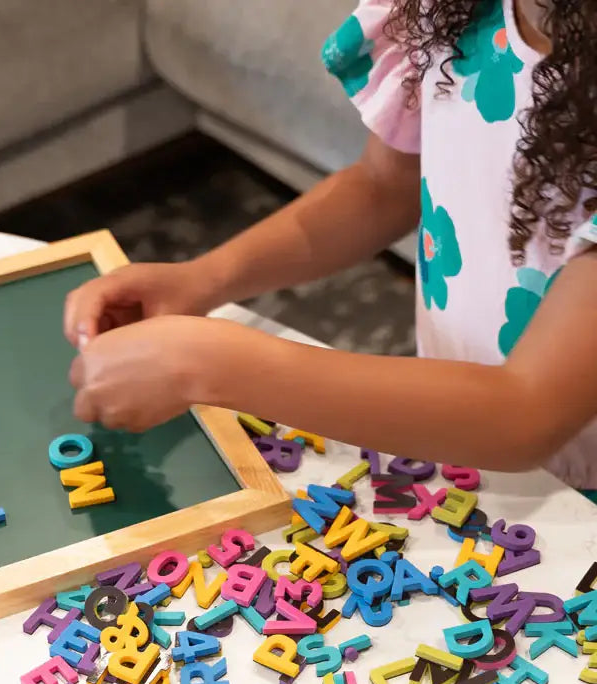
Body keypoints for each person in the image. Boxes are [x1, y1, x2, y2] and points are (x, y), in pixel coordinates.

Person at [63, 0, 597, 493]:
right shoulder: (460, 10)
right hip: (455, 433)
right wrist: (204, 279)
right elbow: (381, 188)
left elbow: (525, 414)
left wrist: (207, 364)